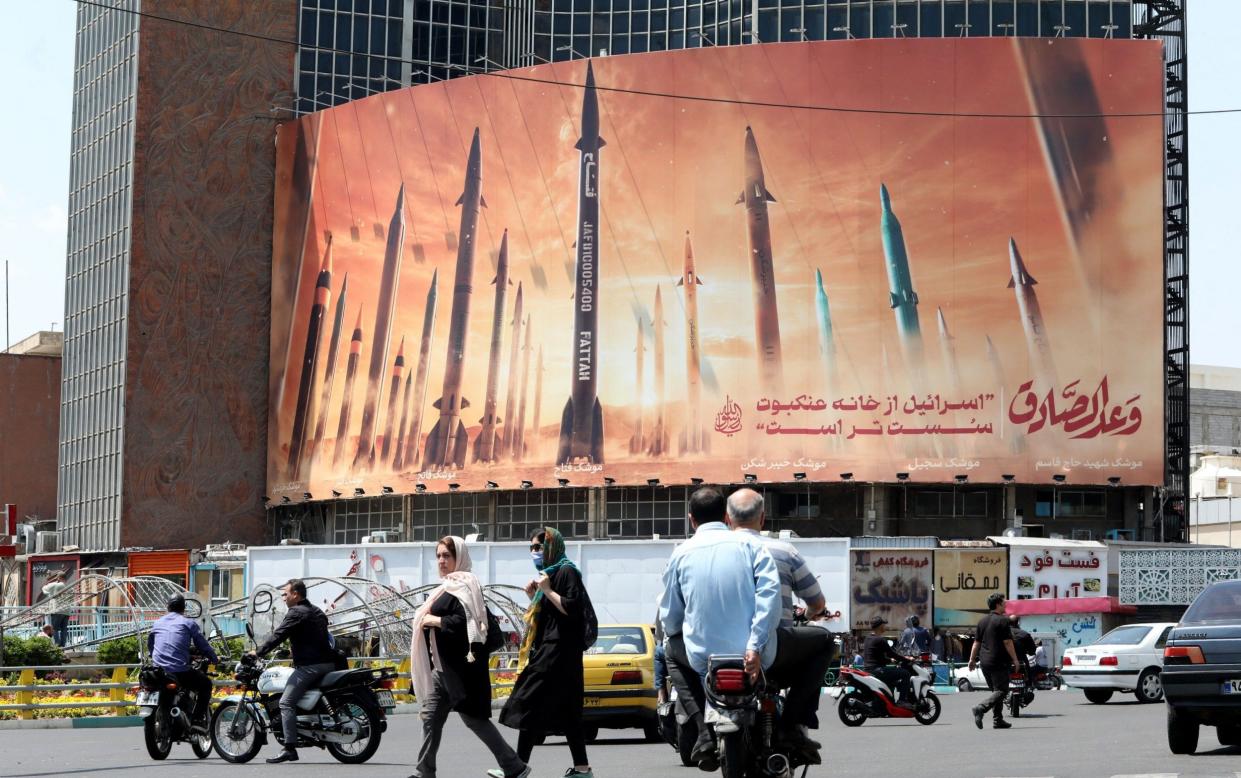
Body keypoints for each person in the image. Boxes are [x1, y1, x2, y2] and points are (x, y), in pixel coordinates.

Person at [660, 487, 781, 771]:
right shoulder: (751, 546)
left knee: (669, 652)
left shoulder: (680, 554)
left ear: (691, 520)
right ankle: (794, 726)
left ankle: (702, 731)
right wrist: (754, 646)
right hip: (756, 657)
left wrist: (678, 629)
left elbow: (670, 618)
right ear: (727, 517)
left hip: (702, 660)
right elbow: (769, 595)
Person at [411, 537, 528, 778]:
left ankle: (513, 766)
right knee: (430, 719)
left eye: (447, 556)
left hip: (461, 673)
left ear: (459, 558)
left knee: (475, 721)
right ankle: (425, 772)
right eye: (439, 556)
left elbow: (470, 623)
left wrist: (437, 621)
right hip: (441, 670)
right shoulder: (445, 588)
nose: (442, 561)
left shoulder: (466, 586)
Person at [726, 488, 831, 755]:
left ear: (727, 519)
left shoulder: (712, 553)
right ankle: (795, 721)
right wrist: (808, 615)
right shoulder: (783, 551)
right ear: (763, 518)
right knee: (824, 642)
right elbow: (817, 603)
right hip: (775, 649)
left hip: (722, 649)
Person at [498, 528, 593, 778]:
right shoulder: (549, 574)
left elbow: (572, 607)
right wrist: (535, 595)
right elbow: (548, 616)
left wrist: (548, 590)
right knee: (568, 711)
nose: (534, 553)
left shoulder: (566, 571)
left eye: (538, 547)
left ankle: (516, 766)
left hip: (558, 652)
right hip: (557, 652)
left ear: (552, 546)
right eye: (531, 548)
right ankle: (582, 769)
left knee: (528, 700)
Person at [253, 578, 338, 763]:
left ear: (295, 594)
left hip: (310, 667)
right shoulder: (317, 611)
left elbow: (278, 635)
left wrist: (257, 652)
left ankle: (289, 748)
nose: (283, 598)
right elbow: (313, 636)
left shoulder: (296, 612)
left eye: (285, 593)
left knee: (286, 702)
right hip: (328, 664)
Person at [147, 595, 219, 733]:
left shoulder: (157, 623)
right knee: (206, 685)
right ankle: (197, 720)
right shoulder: (188, 623)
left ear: (168, 607)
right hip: (178, 671)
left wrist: (155, 657)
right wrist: (214, 658)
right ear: (184, 608)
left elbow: (151, 645)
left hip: (158, 670)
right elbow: (202, 645)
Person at [968, 593, 1021, 730]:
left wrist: (972, 660)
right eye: (1004, 603)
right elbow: (1008, 642)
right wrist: (1015, 660)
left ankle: (998, 720)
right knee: (1002, 690)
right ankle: (981, 708)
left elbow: (976, 643)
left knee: (996, 692)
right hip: (998, 661)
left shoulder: (982, 621)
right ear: (997, 604)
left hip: (985, 662)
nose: (1005, 605)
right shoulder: (1003, 621)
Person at [861, 617, 914, 708]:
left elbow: (878, 657)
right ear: (880, 626)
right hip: (877, 670)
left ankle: (889, 702)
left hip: (869, 669)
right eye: (884, 624)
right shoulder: (880, 639)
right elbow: (892, 654)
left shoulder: (868, 638)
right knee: (905, 674)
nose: (885, 626)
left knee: (893, 679)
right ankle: (902, 701)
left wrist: (890, 660)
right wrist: (907, 659)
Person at [41, 572, 70, 647]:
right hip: (66, 611)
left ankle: (57, 645)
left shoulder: (56, 585)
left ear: (58, 578)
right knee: (64, 629)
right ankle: (63, 645)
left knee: (55, 628)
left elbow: (44, 588)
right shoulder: (69, 586)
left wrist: (48, 594)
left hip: (57, 610)